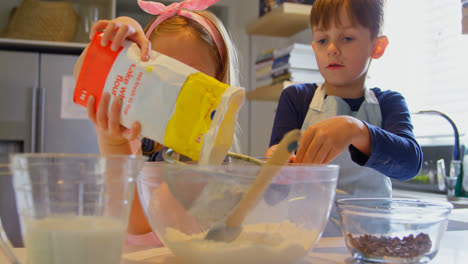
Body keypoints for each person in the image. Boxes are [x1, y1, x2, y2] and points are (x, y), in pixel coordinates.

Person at [73, 0, 240, 245]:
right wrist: (123, 29)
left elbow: (140, 222)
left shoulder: (206, 163)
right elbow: (83, 71)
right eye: (163, 75)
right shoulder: (131, 136)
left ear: (219, 83)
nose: (174, 93)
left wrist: (114, 146)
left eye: (189, 79)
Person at [266, 0, 423, 236]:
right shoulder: (296, 99)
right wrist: (277, 167)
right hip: (306, 243)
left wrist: (355, 130)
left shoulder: (389, 103)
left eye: (346, 38)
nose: (331, 49)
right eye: (322, 40)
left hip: (371, 244)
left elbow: (410, 165)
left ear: (377, 47)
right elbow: (273, 189)